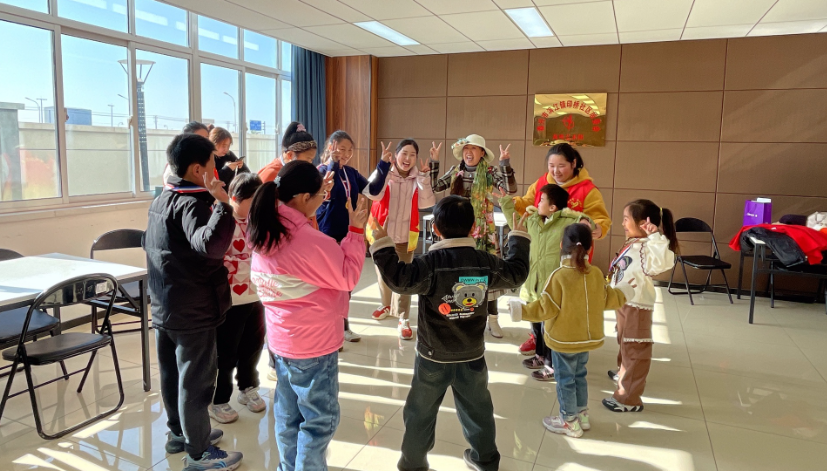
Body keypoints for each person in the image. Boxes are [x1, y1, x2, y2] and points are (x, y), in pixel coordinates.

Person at [371, 195, 530, 471]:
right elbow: (516, 274)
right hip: (472, 356)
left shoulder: (429, 263)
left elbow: (399, 279)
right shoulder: (485, 262)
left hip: (432, 357)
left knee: (420, 414)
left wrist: (383, 243)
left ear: (435, 229)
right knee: (479, 411)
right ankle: (485, 461)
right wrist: (518, 238)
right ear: (473, 228)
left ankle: (412, 464)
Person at [249, 160, 369, 471]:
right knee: (318, 422)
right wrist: (356, 231)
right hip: (313, 344)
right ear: (303, 198)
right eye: (320, 196)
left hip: (281, 341)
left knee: (288, 416)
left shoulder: (265, 228)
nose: (323, 200)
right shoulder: (306, 241)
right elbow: (347, 277)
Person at [143, 133, 242, 470]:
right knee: (196, 382)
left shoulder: (161, 199)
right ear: (198, 169)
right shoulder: (193, 204)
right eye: (214, 163)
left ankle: (180, 434)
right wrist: (223, 205)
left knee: (172, 375)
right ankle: (199, 454)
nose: (218, 170)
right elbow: (211, 246)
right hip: (193, 310)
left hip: (165, 305)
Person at [509, 224, 633, 437]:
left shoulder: (559, 276)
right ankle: (582, 415)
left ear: (561, 246)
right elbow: (607, 299)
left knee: (565, 380)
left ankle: (569, 421)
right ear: (589, 248)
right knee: (579, 376)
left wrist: (521, 311)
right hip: (586, 339)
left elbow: (545, 308)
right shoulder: (595, 273)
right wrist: (625, 293)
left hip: (563, 341)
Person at [512, 143, 611, 355]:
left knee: (562, 300)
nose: (555, 171)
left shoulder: (587, 190)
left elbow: (600, 219)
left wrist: (596, 226)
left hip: (570, 257)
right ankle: (537, 338)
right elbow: (527, 203)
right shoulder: (541, 183)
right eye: (551, 165)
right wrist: (512, 201)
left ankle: (559, 342)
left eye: (561, 166)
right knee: (536, 295)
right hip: (541, 254)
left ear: (574, 164)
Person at [496, 183, 593, 382]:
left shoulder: (567, 222)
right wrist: (505, 202)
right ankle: (540, 355)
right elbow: (516, 225)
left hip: (551, 287)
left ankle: (551, 365)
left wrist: (586, 220)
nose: (537, 203)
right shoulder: (532, 220)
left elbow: (585, 223)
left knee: (548, 328)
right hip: (532, 284)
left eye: (541, 200)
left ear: (553, 207)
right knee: (536, 327)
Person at [429, 134, 518, 338]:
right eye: (466, 149)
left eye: (474, 148)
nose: (469, 152)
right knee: (460, 274)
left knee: (488, 273)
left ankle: (493, 319)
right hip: (456, 231)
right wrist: (434, 162)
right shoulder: (455, 172)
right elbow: (435, 187)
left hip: (483, 232)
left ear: (482, 153)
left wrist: (505, 164)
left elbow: (510, 189)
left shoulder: (489, 172)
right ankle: (463, 317)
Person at [603, 199, 678, 413]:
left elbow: (664, 262)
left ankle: (629, 398)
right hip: (624, 301)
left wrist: (655, 236)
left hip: (637, 306)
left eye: (626, 219)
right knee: (624, 340)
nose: (623, 223)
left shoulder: (651, 246)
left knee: (635, 349)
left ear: (642, 223)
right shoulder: (634, 243)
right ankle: (623, 372)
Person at [317, 130, 389, 343]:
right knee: (329, 286)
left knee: (346, 284)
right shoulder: (320, 171)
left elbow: (372, 190)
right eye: (342, 149)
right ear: (331, 147)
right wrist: (333, 163)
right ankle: (330, 329)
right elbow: (328, 192)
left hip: (349, 234)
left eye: (350, 150)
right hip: (327, 234)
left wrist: (384, 165)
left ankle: (343, 327)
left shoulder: (351, 172)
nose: (346, 154)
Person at [208, 172, 267, 424]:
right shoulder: (221, 219)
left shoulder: (258, 220)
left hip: (257, 295)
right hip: (230, 299)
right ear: (235, 197)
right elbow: (217, 259)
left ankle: (248, 387)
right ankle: (218, 399)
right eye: (252, 200)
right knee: (226, 351)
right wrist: (251, 263)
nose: (257, 205)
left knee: (253, 345)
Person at [366, 139, 436, 340]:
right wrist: (382, 169)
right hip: (382, 233)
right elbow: (372, 194)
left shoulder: (418, 178)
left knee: (406, 277)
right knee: (382, 273)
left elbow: (427, 203)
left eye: (412, 154)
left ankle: (403, 317)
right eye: (404, 153)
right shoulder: (384, 172)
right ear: (396, 155)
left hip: (406, 234)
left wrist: (424, 179)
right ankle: (386, 305)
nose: (407, 158)